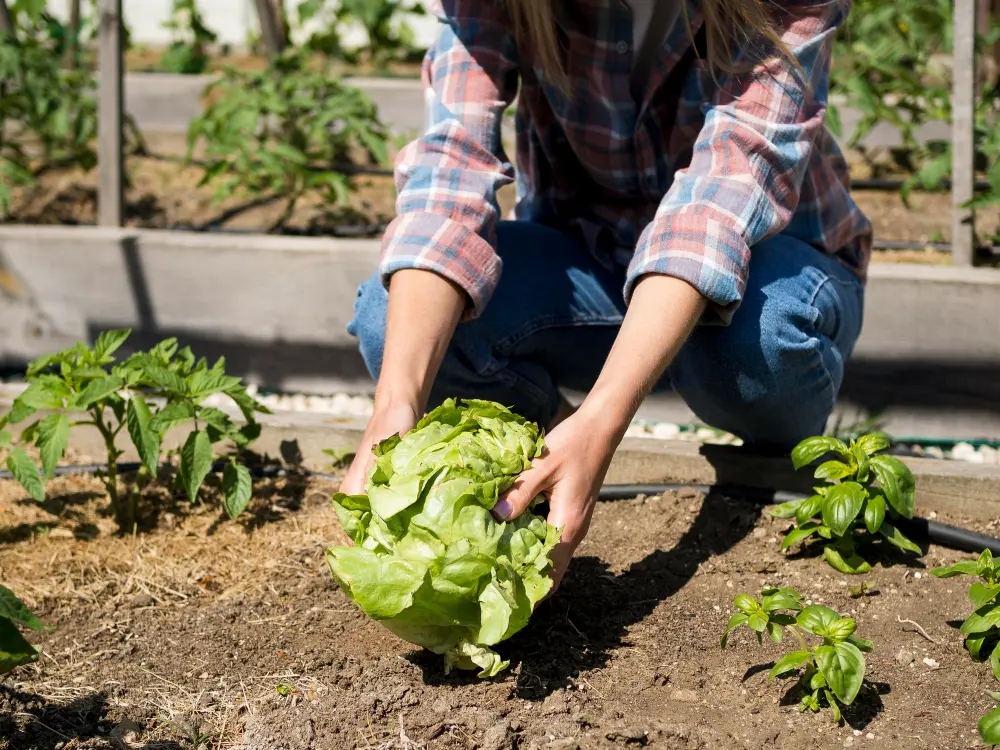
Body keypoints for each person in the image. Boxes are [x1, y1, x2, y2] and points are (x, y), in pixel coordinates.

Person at [340, 0, 871, 589]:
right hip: (595, 264)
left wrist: (605, 417)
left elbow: (721, 196)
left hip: (769, 269)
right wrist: (394, 406)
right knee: (393, 323)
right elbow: (451, 170)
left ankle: (769, 460)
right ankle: (551, 459)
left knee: (754, 343)